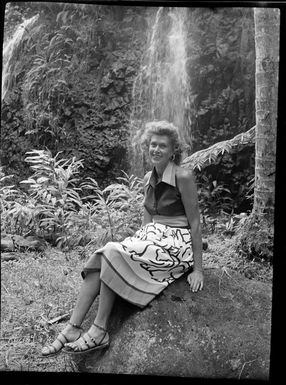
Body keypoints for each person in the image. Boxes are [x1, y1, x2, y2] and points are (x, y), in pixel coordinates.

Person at [41, 120, 204, 356]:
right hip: (154, 238)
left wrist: (198, 269)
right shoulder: (151, 176)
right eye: (153, 144)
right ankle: (72, 328)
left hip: (177, 244)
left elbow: (196, 223)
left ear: (173, 151)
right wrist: (138, 244)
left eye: (163, 146)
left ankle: (99, 330)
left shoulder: (183, 176)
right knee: (105, 255)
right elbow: (148, 219)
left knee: (112, 252)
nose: (156, 149)